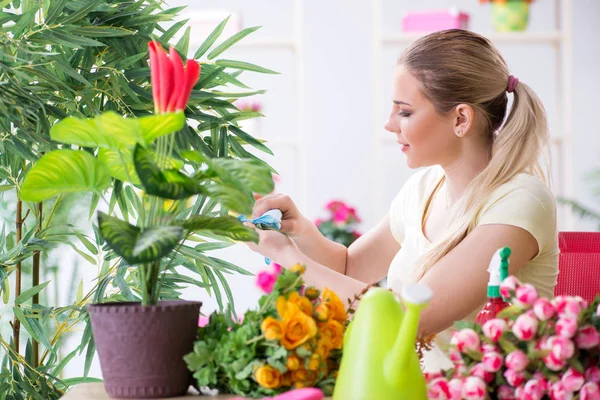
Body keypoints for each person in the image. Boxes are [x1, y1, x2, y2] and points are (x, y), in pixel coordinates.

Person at [244, 29, 559, 371]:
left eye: (405, 112)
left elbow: (409, 322)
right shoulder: (424, 187)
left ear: (460, 119)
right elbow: (350, 268)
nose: (389, 125)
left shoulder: (519, 203)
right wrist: (300, 231)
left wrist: (286, 255)